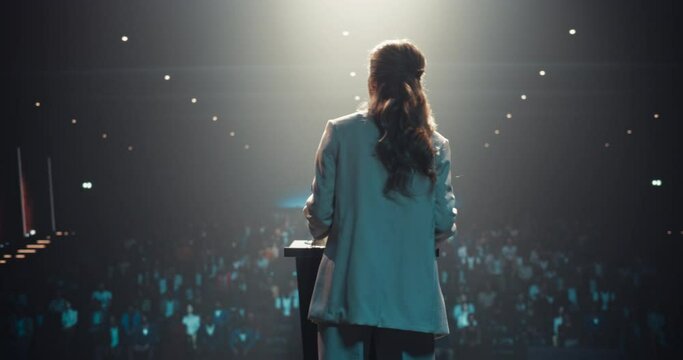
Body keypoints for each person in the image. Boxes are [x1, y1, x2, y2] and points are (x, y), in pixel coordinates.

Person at [303, 39, 457, 359]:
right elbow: (443, 222)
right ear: (418, 82)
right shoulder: (436, 145)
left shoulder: (340, 132)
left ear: (372, 81)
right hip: (411, 298)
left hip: (348, 292)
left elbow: (320, 217)